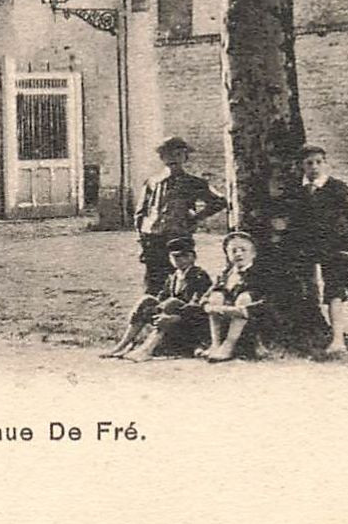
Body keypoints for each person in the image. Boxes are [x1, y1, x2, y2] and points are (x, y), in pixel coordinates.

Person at [283, 144, 348, 355]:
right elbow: (296, 221)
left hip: (347, 245)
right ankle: (337, 339)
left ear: (325, 164)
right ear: (301, 166)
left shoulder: (336, 187)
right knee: (333, 292)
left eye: (318, 162)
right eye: (309, 163)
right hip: (322, 249)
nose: (314, 167)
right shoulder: (297, 190)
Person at [134, 136, 227, 296]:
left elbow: (219, 202)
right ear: (162, 158)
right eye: (167, 154)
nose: (173, 159)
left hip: (178, 236)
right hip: (153, 238)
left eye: (178, 154)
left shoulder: (194, 183)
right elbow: (140, 212)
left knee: (180, 277)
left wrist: (196, 218)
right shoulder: (152, 182)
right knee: (153, 281)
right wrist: (142, 233)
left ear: (185, 157)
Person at [101, 235, 214, 361]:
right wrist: (152, 310)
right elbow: (162, 297)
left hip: (192, 324)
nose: (177, 260)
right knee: (147, 300)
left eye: (182, 256)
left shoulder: (199, 276)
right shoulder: (173, 276)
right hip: (172, 320)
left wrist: (174, 316)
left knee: (173, 302)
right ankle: (122, 345)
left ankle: (147, 349)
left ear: (192, 257)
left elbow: (197, 306)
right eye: (173, 256)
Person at [203, 230, 262, 362]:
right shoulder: (225, 275)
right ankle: (216, 343)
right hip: (226, 318)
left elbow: (266, 301)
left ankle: (229, 345)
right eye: (233, 251)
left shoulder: (259, 275)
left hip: (252, 319)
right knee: (216, 296)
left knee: (244, 297)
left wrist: (241, 309)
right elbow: (206, 296)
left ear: (253, 254)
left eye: (243, 250)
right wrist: (207, 305)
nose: (238, 254)